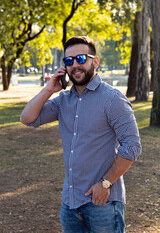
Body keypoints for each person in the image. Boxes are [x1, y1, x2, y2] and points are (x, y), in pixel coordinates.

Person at [20, 36, 141, 233]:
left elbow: (132, 146)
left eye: (81, 58)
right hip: (70, 203)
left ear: (96, 61)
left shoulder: (113, 99)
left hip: (103, 203)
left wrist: (105, 183)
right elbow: (28, 118)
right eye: (69, 60)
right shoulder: (63, 100)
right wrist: (48, 89)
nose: (75, 64)